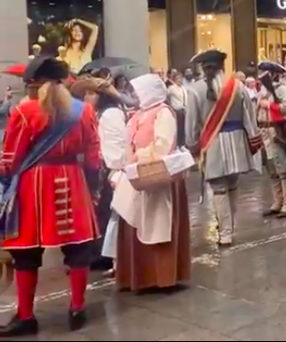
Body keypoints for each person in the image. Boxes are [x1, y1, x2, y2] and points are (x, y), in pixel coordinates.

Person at [0, 57, 100, 336]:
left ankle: (26, 316)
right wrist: (92, 186)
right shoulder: (85, 111)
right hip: (74, 181)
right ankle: (78, 309)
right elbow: (93, 157)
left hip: (34, 186)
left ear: (34, 85)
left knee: (26, 252)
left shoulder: (24, 112)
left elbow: (10, 159)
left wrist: (5, 177)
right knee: (78, 249)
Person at [112, 73, 191, 291]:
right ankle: (139, 276)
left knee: (158, 226)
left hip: (157, 177)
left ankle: (161, 277)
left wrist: (140, 156)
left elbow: (162, 145)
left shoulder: (164, 113)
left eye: (138, 91)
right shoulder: (138, 115)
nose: (135, 96)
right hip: (138, 177)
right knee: (134, 222)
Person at [185, 49, 262, 247]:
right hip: (237, 141)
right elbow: (249, 116)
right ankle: (229, 227)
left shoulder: (194, 89)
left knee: (219, 189)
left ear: (203, 67)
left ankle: (225, 233)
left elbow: (192, 123)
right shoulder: (238, 86)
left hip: (213, 143)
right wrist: (253, 139)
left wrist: (192, 144)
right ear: (222, 66)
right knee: (232, 185)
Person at [68, 76, 125, 274]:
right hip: (99, 168)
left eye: (91, 94)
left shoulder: (110, 114)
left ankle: (104, 255)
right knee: (98, 212)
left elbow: (116, 144)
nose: (87, 98)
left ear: (102, 96)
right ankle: (99, 253)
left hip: (108, 168)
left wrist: (112, 168)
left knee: (105, 213)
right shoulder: (99, 113)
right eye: (85, 94)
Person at [257, 61, 286, 218]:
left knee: (283, 169)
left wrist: (269, 105)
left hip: (277, 132)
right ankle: (277, 202)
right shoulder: (262, 90)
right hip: (264, 132)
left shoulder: (281, 89)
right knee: (272, 170)